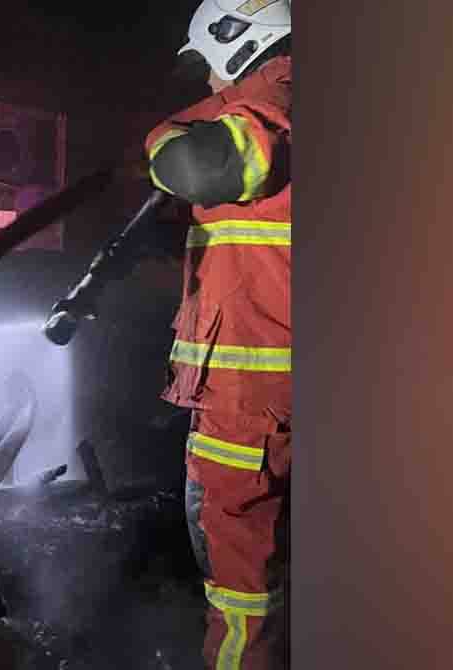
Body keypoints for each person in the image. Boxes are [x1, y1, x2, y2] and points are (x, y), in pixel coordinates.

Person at [143, 2, 292, 668]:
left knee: (242, 598)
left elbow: (200, 167)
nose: (208, 85)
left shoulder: (268, 102)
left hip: (252, 409)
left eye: (210, 68)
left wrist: (164, 136)